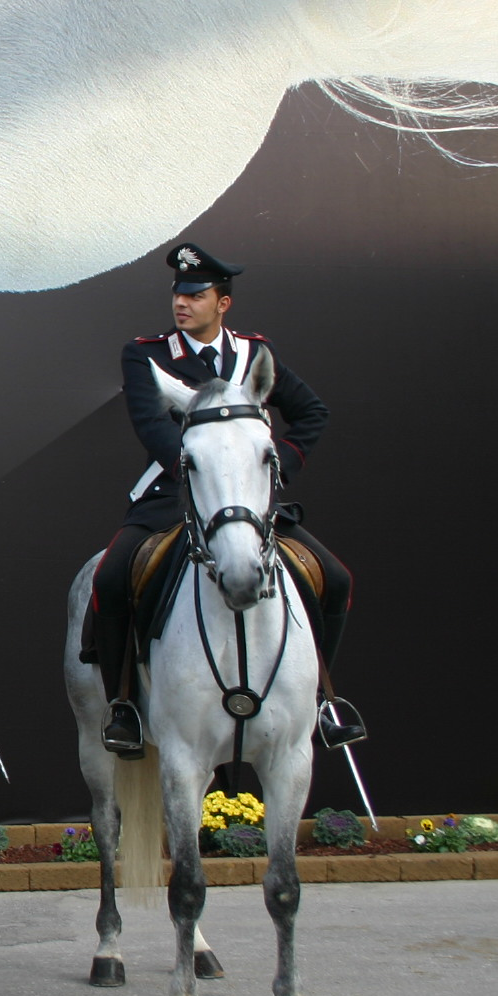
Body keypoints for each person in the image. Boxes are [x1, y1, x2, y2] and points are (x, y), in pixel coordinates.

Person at [88, 242, 363, 755]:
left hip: (246, 502)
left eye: (196, 294)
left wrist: (269, 467)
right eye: (178, 294)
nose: (182, 303)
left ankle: (322, 700)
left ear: (223, 303)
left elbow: (311, 413)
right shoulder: (145, 352)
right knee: (109, 578)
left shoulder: (255, 354)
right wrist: (196, 468)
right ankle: (122, 703)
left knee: (336, 578)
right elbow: (150, 424)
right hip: (171, 493)